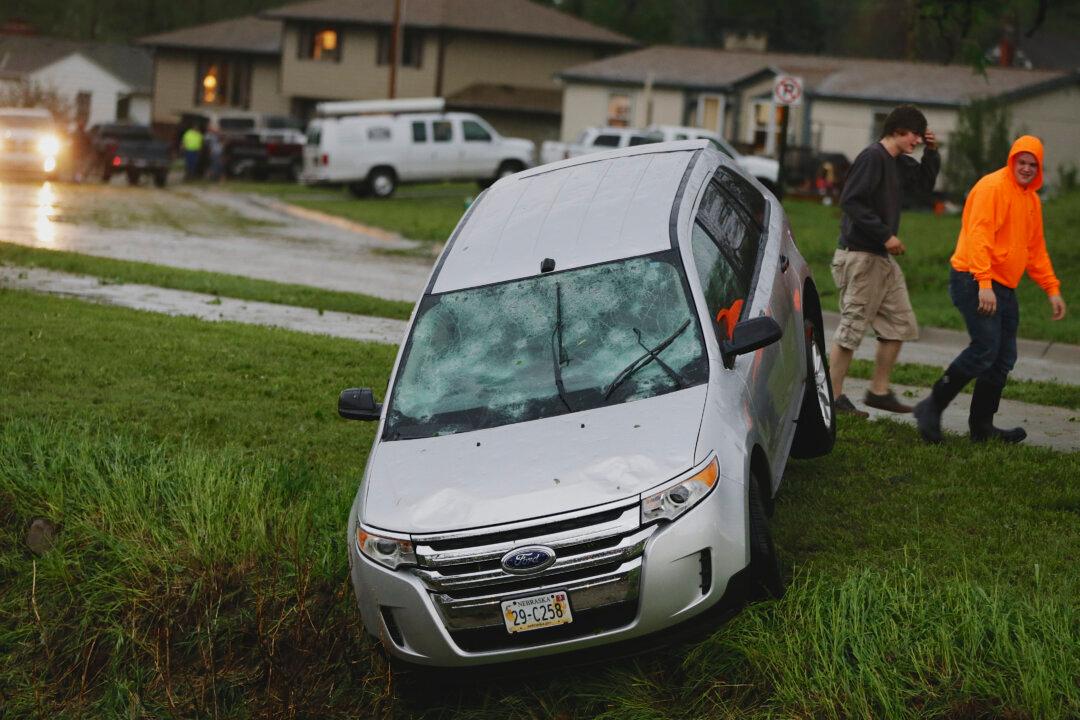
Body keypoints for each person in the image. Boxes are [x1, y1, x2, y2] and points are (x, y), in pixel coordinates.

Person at [914, 136, 1066, 444]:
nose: (1025, 168)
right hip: (972, 278)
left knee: (1003, 357)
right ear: (1012, 161)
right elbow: (978, 237)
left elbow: (1035, 249)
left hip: (1004, 286)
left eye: (1032, 164)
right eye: (1021, 162)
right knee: (985, 348)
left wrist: (1052, 289)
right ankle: (931, 406)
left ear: (1038, 168)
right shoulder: (992, 187)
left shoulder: (1031, 199)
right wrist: (984, 283)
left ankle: (982, 426)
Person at [828, 105, 940, 417]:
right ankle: (832, 397)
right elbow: (851, 200)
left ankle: (879, 391)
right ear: (897, 131)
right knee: (852, 328)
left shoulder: (898, 162)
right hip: (861, 255)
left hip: (881, 259)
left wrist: (931, 153)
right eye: (914, 134)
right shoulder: (872, 157)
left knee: (900, 324)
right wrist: (884, 235)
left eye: (920, 136)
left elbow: (922, 188)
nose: (917, 140)